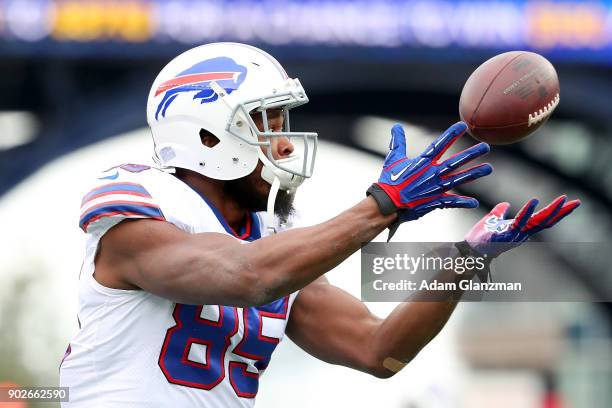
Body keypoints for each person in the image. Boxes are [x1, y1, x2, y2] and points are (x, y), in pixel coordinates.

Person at [59, 42, 580, 407]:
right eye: (266, 122)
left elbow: (378, 350)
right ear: (206, 136)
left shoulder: (275, 239)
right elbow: (245, 276)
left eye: (285, 122)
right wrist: (383, 205)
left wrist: (466, 262)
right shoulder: (138, 199)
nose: (284, 142)